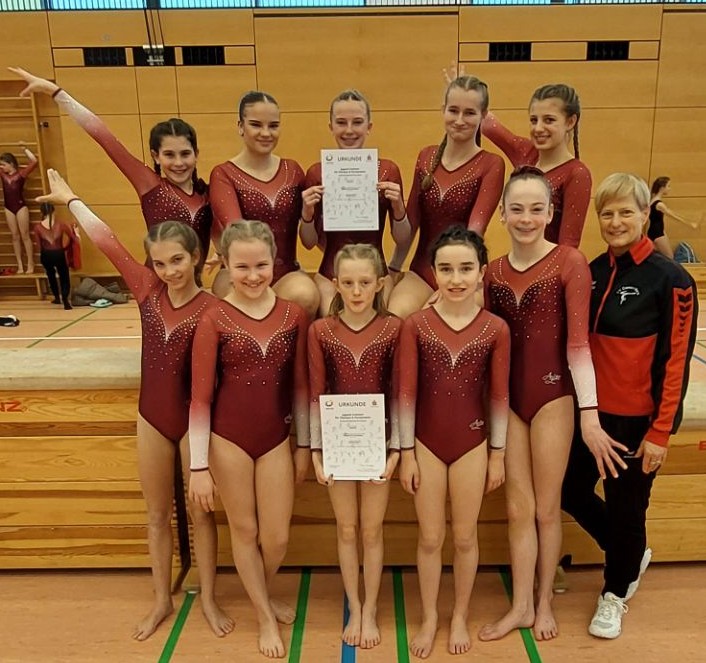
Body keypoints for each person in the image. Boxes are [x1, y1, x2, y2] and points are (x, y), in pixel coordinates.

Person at [37, 169, 232, 642]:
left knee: (201, 513)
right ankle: (162, 598)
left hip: (193, 423)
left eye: (177, 260)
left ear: (197, 257)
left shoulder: (213, 308)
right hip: (153, 418)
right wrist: (72, 199)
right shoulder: (146, 290)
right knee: (156, 515)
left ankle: (208, 596)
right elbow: (107, 242)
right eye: (159, 263)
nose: (169, 271)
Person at [479, 166, 617, 643]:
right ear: (502, 214)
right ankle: (520, 605)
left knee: (545, 508)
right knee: (518, 509)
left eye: (536, 209)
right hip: (510, 402)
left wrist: (589, 412)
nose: (526, 218)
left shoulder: (568, 262)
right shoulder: (492, 272)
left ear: (551, 212)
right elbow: (486, 342)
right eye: (516, 209)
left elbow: (578, 346)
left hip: (553, 396)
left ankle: (543, 602)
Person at [561, 173, 697, 640]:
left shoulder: (671, 280)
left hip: (636, 424)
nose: (616, 221)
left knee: (627, 511)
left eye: (626, 212)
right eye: (607, 213)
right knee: (570, 491)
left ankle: (615, 593)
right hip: (591, 417)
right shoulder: (592, 270)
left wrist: (660, 433)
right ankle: (629, 552)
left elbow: (676, 362)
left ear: (644, 215)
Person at [188, 220, 310, 659]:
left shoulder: (293, 315)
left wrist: (304, 445)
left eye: (261, 265)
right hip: (228, 439)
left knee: (276, 538)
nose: (253, 275)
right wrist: (199, 466)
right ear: (224, 264)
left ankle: (262, 590)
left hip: (275, 438)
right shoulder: (214, 318)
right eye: (242, 267)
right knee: (245, 529)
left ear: (275, 260)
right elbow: (200, 398)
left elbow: (301, 388)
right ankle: (263, 614)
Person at [398, 226, 510, 658]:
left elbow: (498, 396)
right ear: (433, 272)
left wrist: (497, 454)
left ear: (481, 272)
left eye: (465, 269)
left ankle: (459, 614)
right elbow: (406, 394)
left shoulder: (495, 328)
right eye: (446, 269)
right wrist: (406, 453)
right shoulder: (416, 325)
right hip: (426, 443)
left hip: (472, 443)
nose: (456, 278)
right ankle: (430, 616)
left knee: (464, 537)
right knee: (430, 538)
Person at [10, 67, 215, 271]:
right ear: (156, 156)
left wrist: (221, 253)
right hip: (156, 282)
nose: (178, 163)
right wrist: (55, 92)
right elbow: (103, 136)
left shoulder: (206, 193)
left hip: (193, 285)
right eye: (169, 155)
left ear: (196, 154)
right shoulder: (150, 184)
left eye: (185, 154)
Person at [308, 243, 402, 649]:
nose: (357, 291)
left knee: (371, 530)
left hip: (378, 443)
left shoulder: (394, 329)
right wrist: (316, 451)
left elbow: (401, 392)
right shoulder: (321, 331)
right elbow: (315, 393)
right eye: (348, 283)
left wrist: (397, 449)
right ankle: (355, 604)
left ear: (380, 283)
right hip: (339, 445)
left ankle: (372, 608)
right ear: (335, 284)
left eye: (365, 282)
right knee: (347, 529)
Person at [387, 76, 504, 320]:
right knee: (395, 316)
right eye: (453, 110)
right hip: (422, 271)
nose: (459, 120)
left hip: (462, 272)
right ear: (443, 110)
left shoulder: (491, 164)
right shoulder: (426, 157)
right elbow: (412, 223)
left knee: (434, 320)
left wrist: (451, 282)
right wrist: (394, 268)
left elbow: (475, 230)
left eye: (469, 113)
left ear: (483, 116)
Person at [299, 90, 411, 315]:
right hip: (330, 275)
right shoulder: (318, 172)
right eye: (341, 122)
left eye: (357, 122)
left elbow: (402, 238)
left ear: (369, 126)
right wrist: (307, 213)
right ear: (331, 127)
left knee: (380, 326)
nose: (349, 130)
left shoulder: (387, 171)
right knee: (333, 325)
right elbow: (309, 243)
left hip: (377, 275)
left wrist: (399, 207)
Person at [209, 91, 319, 316]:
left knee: (305, 295)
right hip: (240, 274)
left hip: (286, 273)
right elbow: (237, 235)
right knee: (244, 306)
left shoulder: (293, 171)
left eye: (273, 126)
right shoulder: (224, 174)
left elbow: (309, 239)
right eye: (256, 125)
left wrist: (309, 214)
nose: (266, 133)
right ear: (240, 126)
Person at [482, 83, 592, 248]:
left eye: (549, 120)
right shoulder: (527, 153)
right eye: (534, 120)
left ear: (570, 122)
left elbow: (569, 245)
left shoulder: (577, 174)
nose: (538, 128)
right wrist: (465, 94)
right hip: (519, 258)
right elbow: (487, 124)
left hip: (552, 262)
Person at [0, 145, 38, 273]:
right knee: (15, 236)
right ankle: (20, 265)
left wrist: (25, 148)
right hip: (8, 208)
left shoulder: (21, 174)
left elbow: (34, 161)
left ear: (11, 164)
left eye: (3, 165)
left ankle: (30, 264)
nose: (1, 167)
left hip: (21, 207)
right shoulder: (2, 174)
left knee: (25, 235)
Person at [648, 176, 700, 259]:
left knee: (658, 256)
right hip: (657, 233)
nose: (669, 189)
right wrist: (690, 223)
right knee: (669, 257)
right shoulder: (659, 204)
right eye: (668, 186)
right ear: (662, 188)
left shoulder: (653, 200)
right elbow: (674, 216)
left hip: (656, 231)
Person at [33, 202, 73, 309]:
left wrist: (43, 255)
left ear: (42, 212)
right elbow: (72, 237)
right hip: (59, 253)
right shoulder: (61, 224)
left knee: (51, 276)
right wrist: (66, 248)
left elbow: (39, 245)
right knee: (64, 276)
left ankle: (56, 297)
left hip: (46, 254)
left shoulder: (37, 227)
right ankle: (65, 298)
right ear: (53, 211)